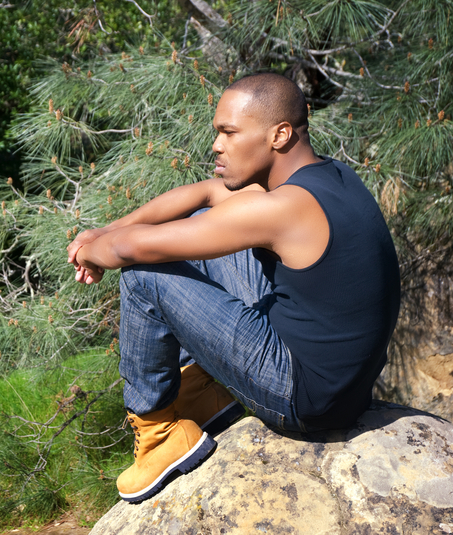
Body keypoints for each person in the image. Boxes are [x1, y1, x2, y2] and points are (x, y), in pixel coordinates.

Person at [66, 73, 401, 503]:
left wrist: (90, 251)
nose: (216, 145)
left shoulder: (281, 209)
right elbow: (207, 193)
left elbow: (129, 251)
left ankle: (158, 434)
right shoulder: (331, 176)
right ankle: (199, 395)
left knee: (143, 275)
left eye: (229, 132)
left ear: (279, 135)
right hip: (344, 387)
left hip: (306, 399)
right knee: (196, 228)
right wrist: (105, 231)